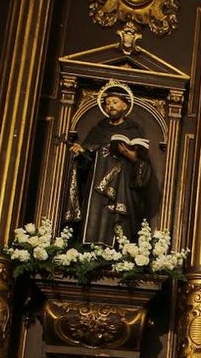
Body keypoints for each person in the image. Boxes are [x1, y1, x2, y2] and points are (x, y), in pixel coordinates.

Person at [65, 80, 160, 245]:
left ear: (125, 106)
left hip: (122, 185)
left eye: (115, 102)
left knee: (120, 223)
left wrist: (129, 155)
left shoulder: (134, 130)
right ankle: (89, 246)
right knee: (95, 215)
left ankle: (117, 250)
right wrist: (81, 152)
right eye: (107, 103)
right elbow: (86, 162)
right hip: (97, 185)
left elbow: (142, 167)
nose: (111, 106)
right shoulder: (98, 130)